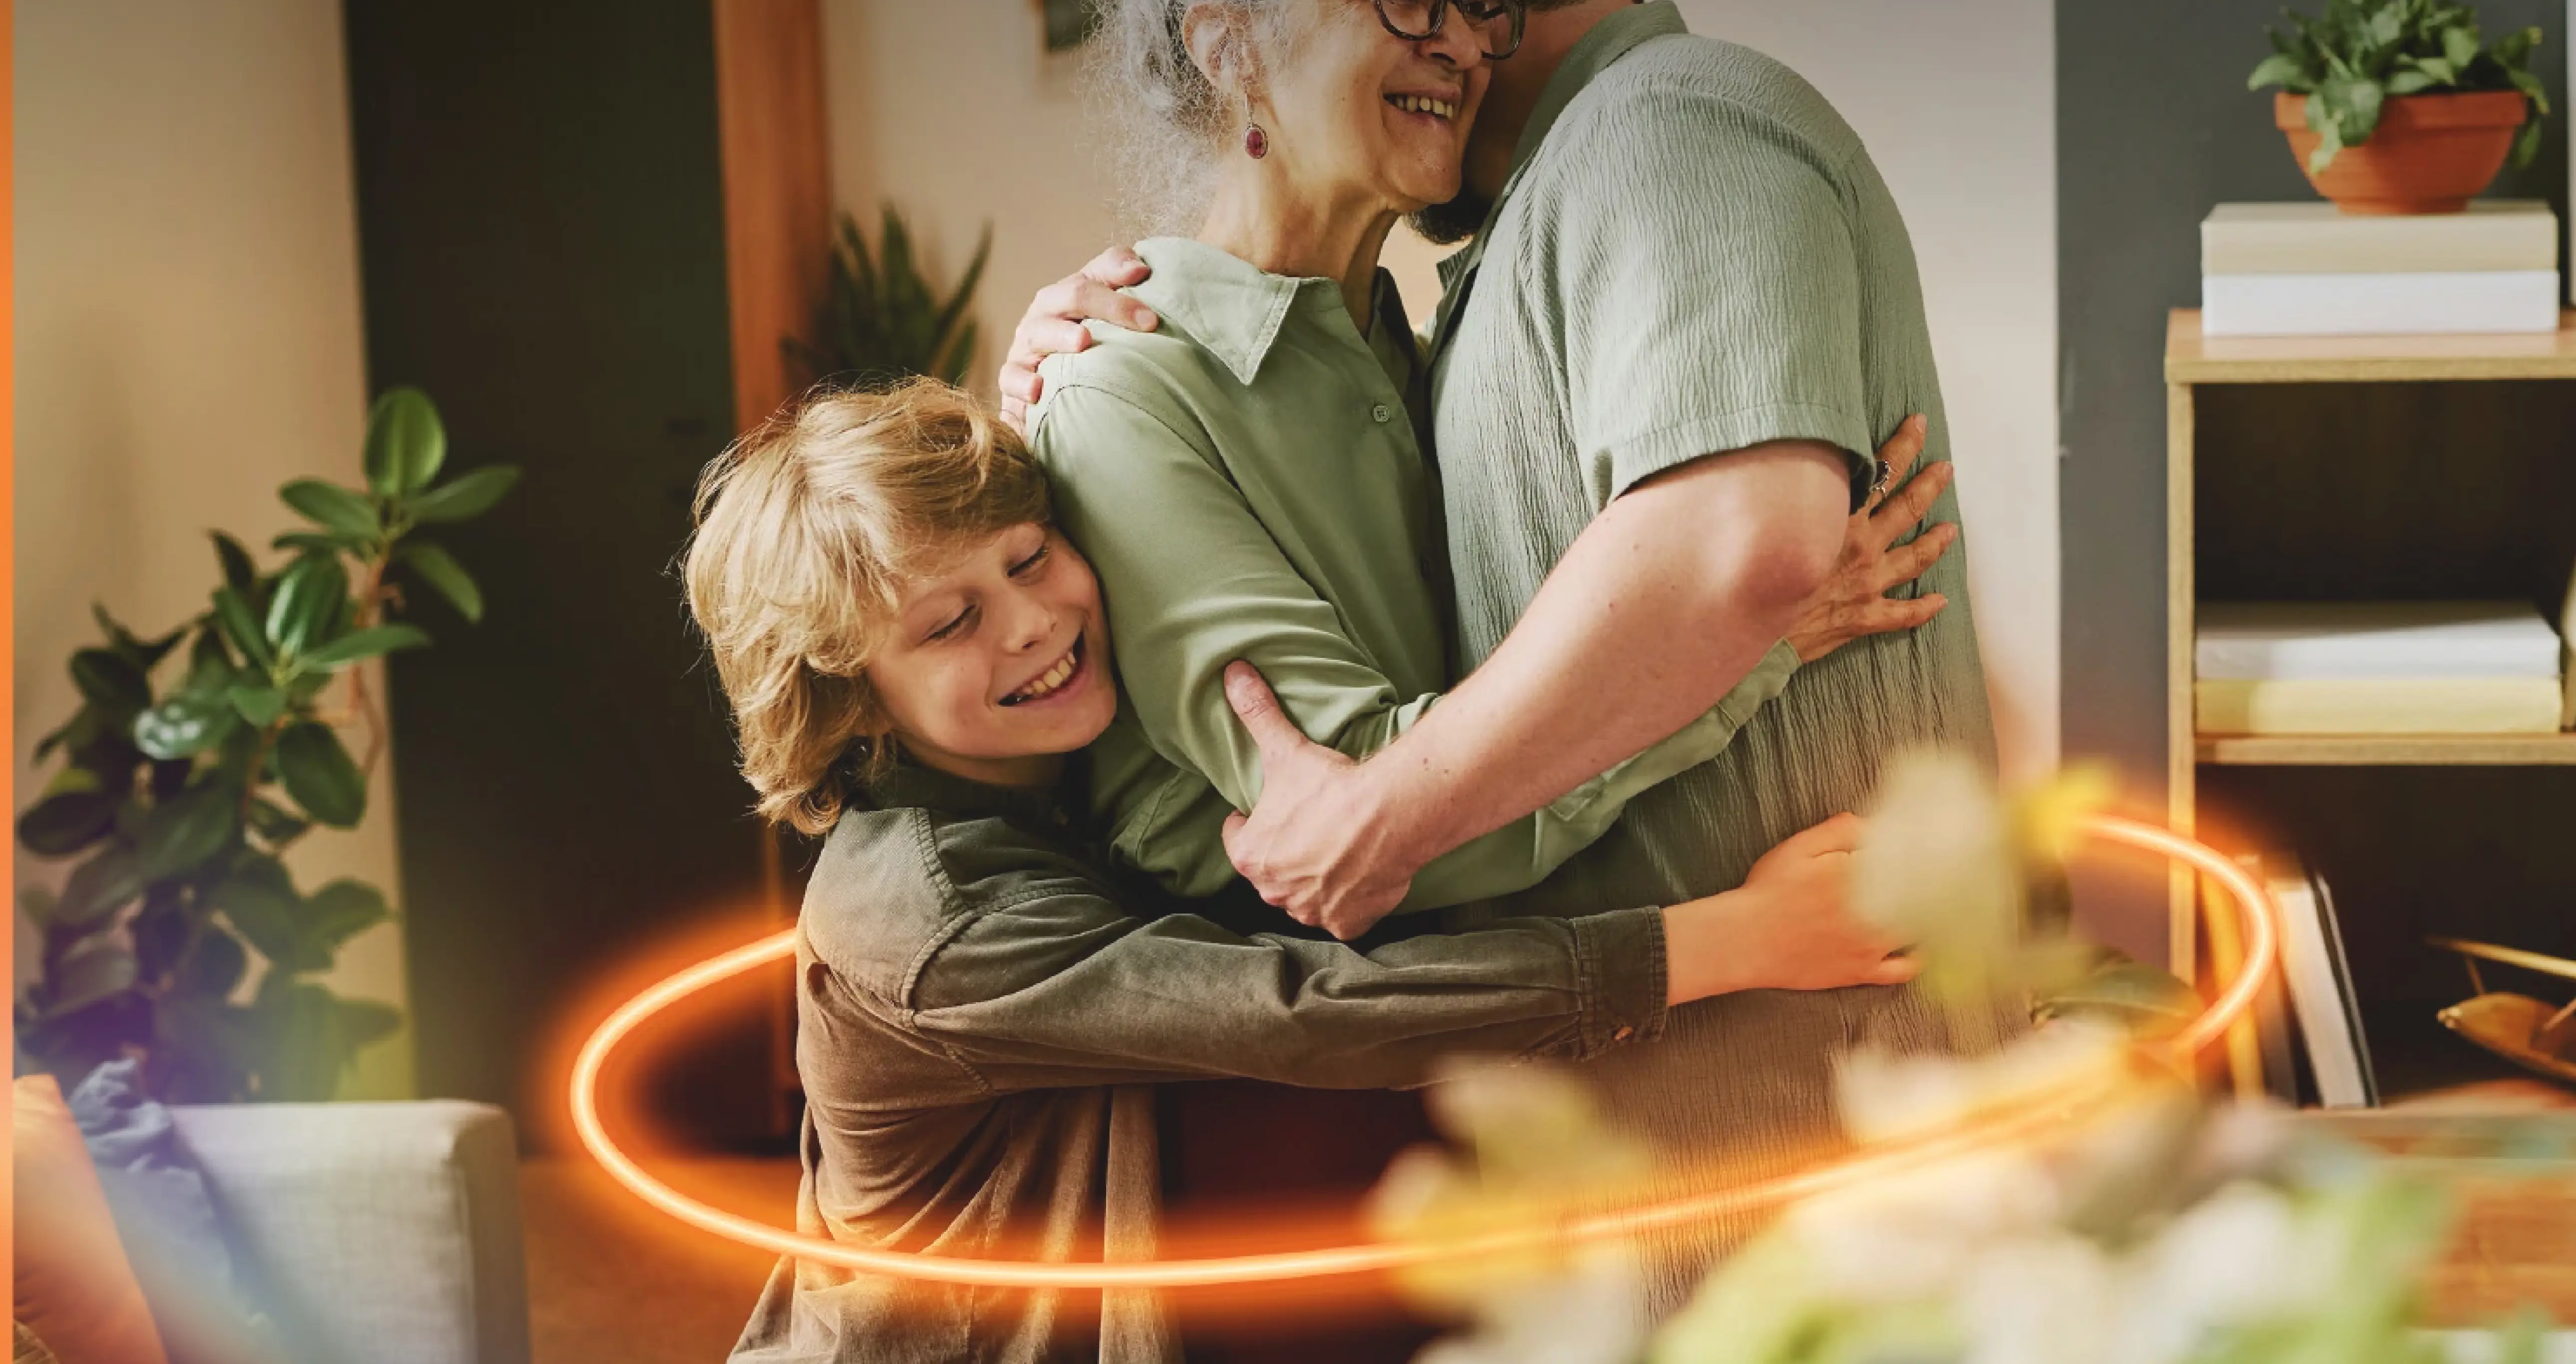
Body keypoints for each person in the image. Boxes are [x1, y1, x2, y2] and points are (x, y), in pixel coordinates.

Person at [1003, 0, 2003, 1305]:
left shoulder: (1404, 335)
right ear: (1231, 46)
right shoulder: (1126, 374)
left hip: (1662, 1125)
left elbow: (1428, 775)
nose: (1460, 42)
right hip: (1316, 1152)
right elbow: (1376, 830)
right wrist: (1762, 657)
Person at [690, 379, 1918, 1364]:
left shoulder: (1058, 765)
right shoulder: (923, 914)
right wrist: (1732, 942)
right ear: (853, 700)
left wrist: (1741, 643)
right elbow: (1300, 1011)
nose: (1027, 621)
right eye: (948, 623)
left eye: (1026, 555)